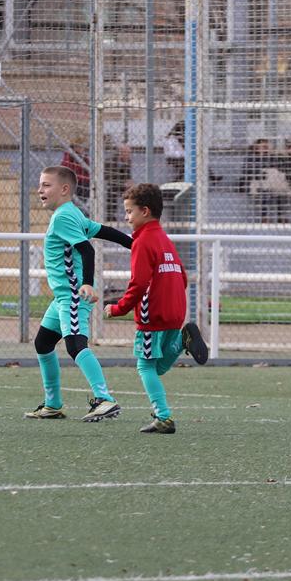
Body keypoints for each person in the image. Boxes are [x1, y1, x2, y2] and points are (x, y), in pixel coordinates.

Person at [26, 165, 134, 422]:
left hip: (73, 295)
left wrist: (86, 283)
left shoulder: (63, 217)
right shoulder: (71, 212)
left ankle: (104, 399)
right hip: (62, 298)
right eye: (40, 185)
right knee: (43, 343)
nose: (40, 190)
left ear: (64, 189)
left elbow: (87, 249)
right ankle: (53, 404)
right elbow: (104, 231)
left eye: (46, 185)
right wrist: (134, 244)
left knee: (75, 346)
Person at [103, 183, 210, 434]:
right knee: (157, 366)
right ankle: (182, 341)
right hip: (175, 311)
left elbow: (138, 283)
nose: (126, 217)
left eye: (129, 211)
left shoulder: (142, 242)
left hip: (154, 315)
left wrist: (118, 308)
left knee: (145, 366)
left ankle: (164, 417)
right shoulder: (164, 238)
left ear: (145, 211)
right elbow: (182, 276)